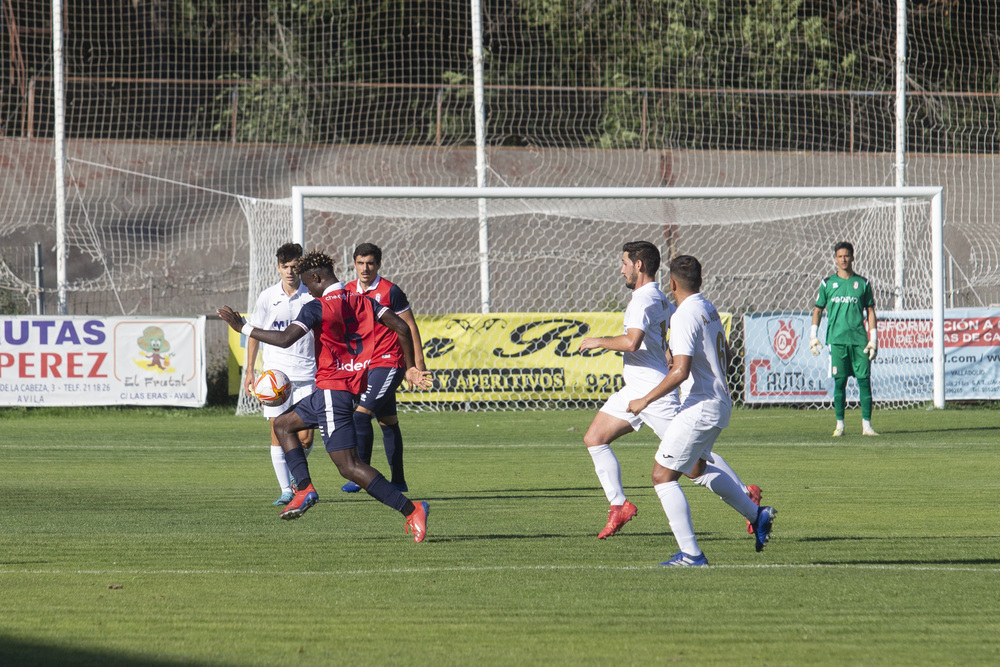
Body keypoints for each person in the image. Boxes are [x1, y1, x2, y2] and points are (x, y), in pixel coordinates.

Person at [217, 250, 435, 543]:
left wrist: (242, 326)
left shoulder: (316, 307)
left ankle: (411, 509)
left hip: (334, 392)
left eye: (309, 284)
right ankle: (304, 489)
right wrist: (409, 367)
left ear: (317, 278)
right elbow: (402, 327)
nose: (308, 290)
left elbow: (283, 339)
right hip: (330, 390)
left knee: (349, 466)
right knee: (283, 425)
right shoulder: (364, 300)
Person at [580, 242, 760, 540]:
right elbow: (657, 342)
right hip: (635, 386)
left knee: (693, 465)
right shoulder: (661, 298)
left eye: (624, 262)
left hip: (651, 392)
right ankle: (619, 505)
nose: (621, 268)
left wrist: (598, 341)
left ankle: (744, 494)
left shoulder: (642, 300)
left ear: (639, 265)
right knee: (594, 438)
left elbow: (633, 341)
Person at [627, 255, 776, 566]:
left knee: (662, 476)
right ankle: (756, 514)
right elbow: (722, 353)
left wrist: (644, 401)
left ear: (672, 284)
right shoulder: (708, 308)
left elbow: (679, 372)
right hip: (719, 403)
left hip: (701, 405)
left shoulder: (684, 316)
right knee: (695, 468)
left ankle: (692, 555)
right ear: (700, 281)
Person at [340, 242, 426, 494]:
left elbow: (409, 327)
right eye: (360, 263)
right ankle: (398, 480)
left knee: (360, 415)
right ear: (354, 264)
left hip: (390, 362)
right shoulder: (346, 290)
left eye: (370, 263)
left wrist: (416, 366)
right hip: (364, 365)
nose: (365, 268)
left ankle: (360, 475)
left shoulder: (390, 291)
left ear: (378, 265)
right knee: (387, 421)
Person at [244, 242, 316, 506]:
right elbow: (253, 333)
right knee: (277, 430)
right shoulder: (267, 297)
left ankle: (297, 476)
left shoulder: (312, 295)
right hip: (275, 377)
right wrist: (250, 371)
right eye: (285, 267)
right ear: (278, 267)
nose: (289, 271)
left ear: (301, 266)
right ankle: (287, 489)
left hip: (308, 373)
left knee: (306, 435)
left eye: (294, 266)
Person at [809, 241, 879, 437]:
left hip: (859, 341)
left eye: (847, 255)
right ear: (835, 259)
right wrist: (813, 336)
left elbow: (871, 311)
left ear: (853, 257)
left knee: (864, 381)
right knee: (840, 382)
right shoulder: (827, 284)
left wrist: (873, 339)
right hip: (837, 341)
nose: (844, 259)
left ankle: (867, 426)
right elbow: (818, 309)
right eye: (840, 256)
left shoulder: (863, 283)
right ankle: (840, 425)